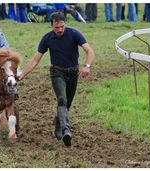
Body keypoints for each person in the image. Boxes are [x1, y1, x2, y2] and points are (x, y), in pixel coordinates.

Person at [18, 11, 94, 147]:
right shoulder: (47, 38)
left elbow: (89, 51)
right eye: (57, 27)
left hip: (73, 73)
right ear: (51, 26)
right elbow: (35, 59)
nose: (60, 30)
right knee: (62, 99)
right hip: (57, 72)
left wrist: (87, 66)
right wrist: (23, 74)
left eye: (62, 27)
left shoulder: (74, 34)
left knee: (67, 104)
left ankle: (59, 122)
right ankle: (66, 130)